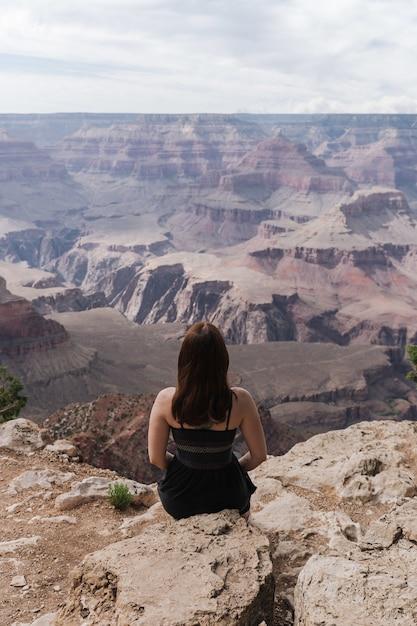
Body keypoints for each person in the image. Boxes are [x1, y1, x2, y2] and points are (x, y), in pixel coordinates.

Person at [148, 321, 267, 521]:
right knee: (245, 521)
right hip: (229, 496)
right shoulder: (241, 400)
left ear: (184, 359)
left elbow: (156, 458)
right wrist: (232, 469)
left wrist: (183, 465)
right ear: (222, 360)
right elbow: (259, 456)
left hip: (180, 499)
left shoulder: (166, 400)